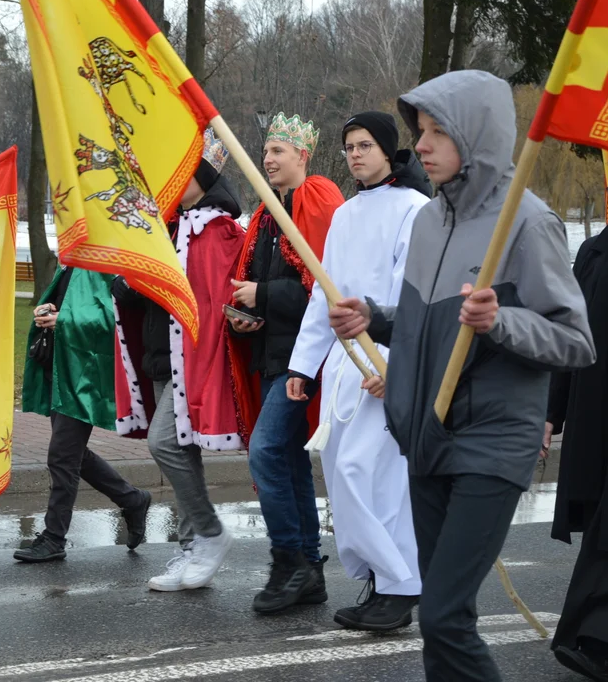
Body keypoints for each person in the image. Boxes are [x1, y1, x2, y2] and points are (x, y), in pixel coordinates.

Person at [328, 70, 596, 681]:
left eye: (437, 132)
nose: (420, 145)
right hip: (426, 440)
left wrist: (501, 322)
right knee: (445, 621)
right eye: (420, 132)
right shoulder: (428, 221)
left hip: (491, 445)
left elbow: (576, 343)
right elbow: (433, 328)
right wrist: (377, 318)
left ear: (476, 135)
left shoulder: (528, 222)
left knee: (443, 615)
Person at [286, 111, 429, 631]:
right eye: (348, 146)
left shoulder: (415, 210)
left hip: (385, 365)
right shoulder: (344, 215)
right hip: (345, 370)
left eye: (365, 144)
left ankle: (400, 583)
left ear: (389, 150)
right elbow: (327, 295)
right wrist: (303, 363)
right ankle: (378, 578)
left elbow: (406, 297)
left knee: (377, 478)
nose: (355, 154)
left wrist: (393, 364)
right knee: (344, 478)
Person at [112, 128, 255, 592]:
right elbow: (146, 288)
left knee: (165, 444)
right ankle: (193, 547)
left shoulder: (213, 230)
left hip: (189, 360)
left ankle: (211, 534)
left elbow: (207, 302)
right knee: (183, 450)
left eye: (182, 172)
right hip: (159, 353)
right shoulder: (170, 223)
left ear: (203, 177)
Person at [229, 112, 345, 615]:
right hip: (274, 353)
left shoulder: (317, 200)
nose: (268, 159)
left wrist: (262, 294)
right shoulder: (267, 213)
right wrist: (243, 311)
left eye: (278, 151)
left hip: (308, 358)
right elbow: (265, 287)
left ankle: (289, 561)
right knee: (289, 458)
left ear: (303, 155)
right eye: (267, 150)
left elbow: (326, 290)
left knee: (267, 450)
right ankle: (308, 568)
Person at [547, 152, 608, 681]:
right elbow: (570, 337)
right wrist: (551, 412)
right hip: (604, 414)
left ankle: (598, 636)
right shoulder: (596, 253)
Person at [14, 266, 152, 563]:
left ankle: (54, 537)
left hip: (83, 375)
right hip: (64, 369)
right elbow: (69, 303)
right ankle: (133, 499)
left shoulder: (104, 263)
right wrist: (49, 309)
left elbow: (113, 320)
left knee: (63, 455)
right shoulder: (73, 263)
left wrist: (62, 319)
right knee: (73, 453)